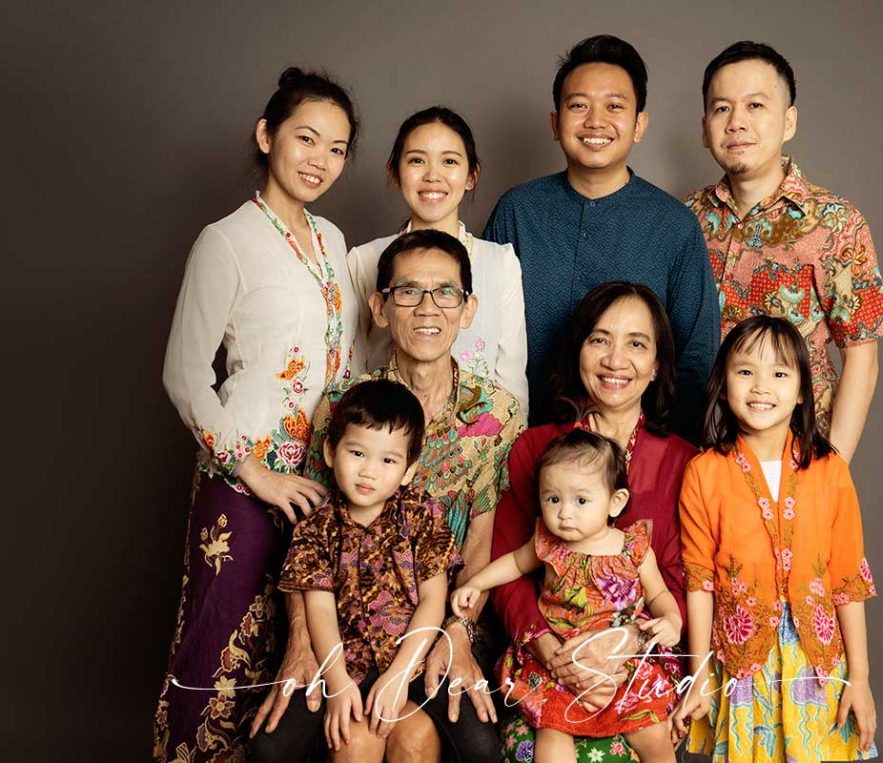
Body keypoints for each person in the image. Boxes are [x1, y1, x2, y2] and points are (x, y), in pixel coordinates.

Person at [154, 67, 363, 762]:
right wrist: (258, 474)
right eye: (306, 138)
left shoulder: (333, 241)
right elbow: (184, 373)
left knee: (294, 657)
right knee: (219, 650)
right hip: (245, 481)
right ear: (267, 134)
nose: (320, 160)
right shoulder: (226, 240)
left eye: (336, 148)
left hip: (323, 484)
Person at [254, 229, 523, 762]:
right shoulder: (343, 406)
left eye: (445, 292)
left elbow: (478, 547)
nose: (428, 307)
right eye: (407, 291)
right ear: (379, 306)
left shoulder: (497, 415)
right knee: (271, 750)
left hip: (435, 626)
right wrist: (303, 647)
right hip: (340, 631)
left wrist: (459, 634)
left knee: (479, 748)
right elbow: (309, 536)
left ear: (467, 308)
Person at [491, 282, 698, 763]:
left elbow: (688, 583)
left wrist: (624, 645)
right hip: (550, 665)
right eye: (599, 339)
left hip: (642, 667)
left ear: (658, 366)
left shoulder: (686, 463)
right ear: (578, 351)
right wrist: (551, 652)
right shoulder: (533, 449)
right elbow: (510, 572)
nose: (615, 359)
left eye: (636, 344)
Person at [483, 34, 719, 440]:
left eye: (614, 106)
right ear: (555, 123)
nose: (595, 121)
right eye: (579, 105)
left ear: (639, 124)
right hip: (522, 445)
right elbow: (479, 334)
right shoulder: (518, 211)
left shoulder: (674, 225)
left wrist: (663, 456)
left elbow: (695, 357)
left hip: (637, 453)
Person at [671, 316, 879, 762]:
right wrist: (700, 673)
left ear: (802, 389)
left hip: (817, 665)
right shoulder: (704, 472)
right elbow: (699, 582)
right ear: (723, 384)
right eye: (745, 371)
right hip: (743, 666)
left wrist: (858, 679)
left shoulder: (830, 471)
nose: (761, 386)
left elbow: (848, 582)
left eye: (780, 374)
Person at [686, 41, 883, 460]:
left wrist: (831, 470)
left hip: (796, 459)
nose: (736, 123)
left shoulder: (836, 223)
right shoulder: (684, 217)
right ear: (704, 126)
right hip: (698, 456)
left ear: (789, 121)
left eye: (755, 106)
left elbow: (861, 358)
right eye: (722, 108)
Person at [253, 379, 459, 762]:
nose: (369, 472)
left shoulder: (423, 516)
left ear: (409, 470)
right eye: (357, 453)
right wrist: (337, 682)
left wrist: (399, 675)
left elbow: (434, 600)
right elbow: (319, 610)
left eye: (388, 460)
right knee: (350, 742)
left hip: (409, 664)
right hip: (345, 664)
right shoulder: (316, 527)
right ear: (331, 452)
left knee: (417, 739)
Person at [453, 429, 682, 763]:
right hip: (557, 659)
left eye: (581, 501)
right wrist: (476, 584)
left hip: (619, 661)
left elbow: (659, 592)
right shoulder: (547, 543)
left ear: (614, 502)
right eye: (553, 499)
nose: (564, 513)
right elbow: (514, 563)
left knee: (653, 732)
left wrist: (671, 619)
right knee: (553, 729)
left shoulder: (633, 548)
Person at [348, 106, 528, 411]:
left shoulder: (500, 262)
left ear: (472, 176)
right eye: (417, 160)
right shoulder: (365, 260)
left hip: (477, 447)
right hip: (383, 439)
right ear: (394, 171)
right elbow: (351, 371)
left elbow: (512, 385)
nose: (433, 176)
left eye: (449, 161)